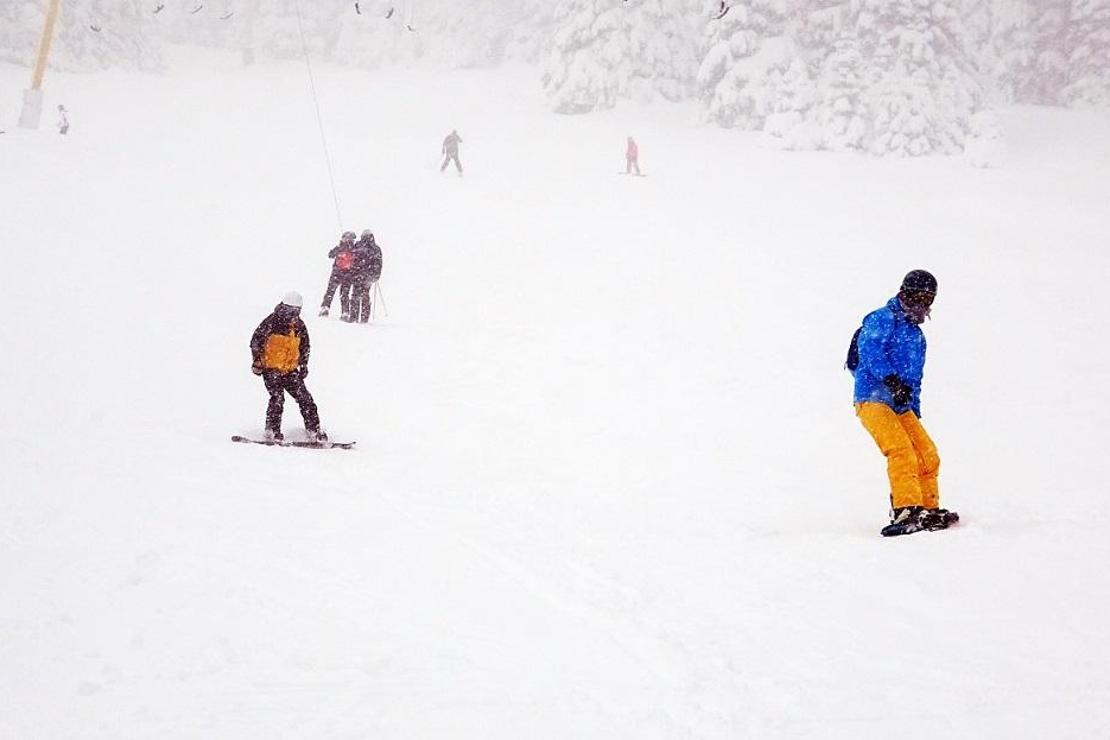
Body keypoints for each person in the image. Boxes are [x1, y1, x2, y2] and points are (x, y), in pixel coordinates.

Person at [850, 270, 956, 536]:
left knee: (926, 452)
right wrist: (892, 381)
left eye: (928, 298)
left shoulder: (917, 337)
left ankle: (928, 508)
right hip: (872, 398)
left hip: (901, 404)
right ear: (904, 292)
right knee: (901, 450)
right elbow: (870, 352)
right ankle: (906, 509)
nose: (921, 303)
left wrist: (914, 410)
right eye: (917, 296)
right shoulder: (882, 318)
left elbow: (915, 379)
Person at [250, 291, 326, 442]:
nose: (292, 314)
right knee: (277, 398)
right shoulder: (271, 322)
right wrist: (257, 361)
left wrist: (303, 365)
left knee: (305, 399)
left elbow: (305, 346)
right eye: (290, 310)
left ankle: (314, 430)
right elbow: (255, 341)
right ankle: (272, 430)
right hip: (271, 369)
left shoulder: (299, 326)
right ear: (283, 307)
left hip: (290, 370)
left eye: (296, 311)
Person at [319, 231, 357, 319]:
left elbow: (330, 254)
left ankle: (325, 308)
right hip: (348, 274)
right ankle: (345, 312)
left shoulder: (340, 247)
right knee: (345, 294)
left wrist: (340, 248)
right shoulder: (354, 249)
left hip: (337, 272)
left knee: (330, 291)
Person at [349, 229, 383, 323]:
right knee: (364, 295)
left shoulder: (359, 245)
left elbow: (353, 259)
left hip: (360, 275)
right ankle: (363, 317)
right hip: (366, 276)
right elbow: (378, 263)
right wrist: (375, 275)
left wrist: (352, 272)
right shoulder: (375, 248)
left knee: (357, 295)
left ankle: (354, 317)